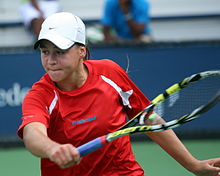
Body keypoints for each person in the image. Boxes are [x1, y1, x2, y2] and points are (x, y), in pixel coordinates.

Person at [17, 12, 220, 176]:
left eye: (59, 52)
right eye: (45, 52)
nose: (50, 60)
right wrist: (53, 149)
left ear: (82, 51)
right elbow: (33, 135)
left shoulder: (109, 72)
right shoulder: (40, 95)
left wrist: (193, 165)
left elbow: (148, 119)